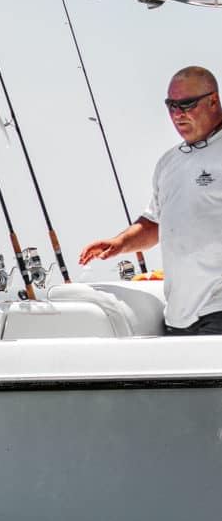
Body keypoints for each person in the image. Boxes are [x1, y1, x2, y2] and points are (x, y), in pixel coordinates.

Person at [80, 65, 222, 334]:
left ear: (213, 101)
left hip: (217, 310)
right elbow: (154, 223)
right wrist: (119, 243)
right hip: (179, 316)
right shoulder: (169, 162)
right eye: (171, 106)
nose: (178, 114)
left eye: (187, 105)